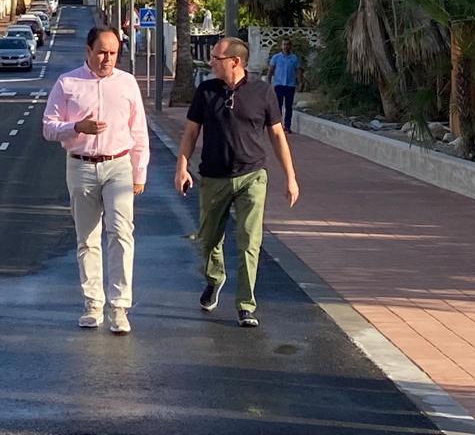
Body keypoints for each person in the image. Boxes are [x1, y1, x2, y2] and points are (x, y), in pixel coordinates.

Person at [174, 37, 300, 328]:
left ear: (235, 62)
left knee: (249, 241)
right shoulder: (206, 91)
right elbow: (191, 132)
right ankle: (214, 278)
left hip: (252, 176)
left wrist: (291, 177)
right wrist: (182, 166)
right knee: (208, 239)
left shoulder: (262, 91)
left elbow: (277, 135)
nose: (211, 62)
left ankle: (245, 304)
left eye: (216, 58)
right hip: (213, 177)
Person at [43, 26, 149, 335]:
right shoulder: (68, 83)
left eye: (113, 53)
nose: (107, 59)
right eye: (101, 52)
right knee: (87, 238)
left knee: (121, 233)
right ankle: (92, 304)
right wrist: (77, 127)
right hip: (81, 166)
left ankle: (119, 306)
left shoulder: (127, 83)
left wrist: (139, 172)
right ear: (88, 51)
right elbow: (48, 127)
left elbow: (139, 131)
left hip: (118, 165)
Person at [267, 38, 303, 133]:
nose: (285, 46)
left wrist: (300, 82)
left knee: (289, 106)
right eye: (284, 44)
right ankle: (278, 126)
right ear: (281, 46)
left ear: (290, 46)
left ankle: (287, 126)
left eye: (287, 44)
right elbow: (270, 71)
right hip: (278, 85)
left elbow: (298, 71)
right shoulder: (276, 57)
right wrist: (268, 83)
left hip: (290, 85)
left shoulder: (294, 58)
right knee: (278, 106)